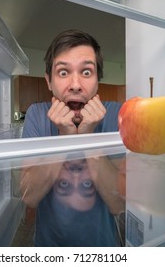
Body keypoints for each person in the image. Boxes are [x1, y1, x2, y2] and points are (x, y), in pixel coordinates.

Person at [20, 29, 125, 246]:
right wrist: (64, 138)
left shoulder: (115, 114)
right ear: (49, 81)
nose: (76, 84)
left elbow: (118, 204)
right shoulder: (36, 114)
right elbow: (29, 197)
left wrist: (87, 138)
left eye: (86, 72)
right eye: (63, 72)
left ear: (97, 80)